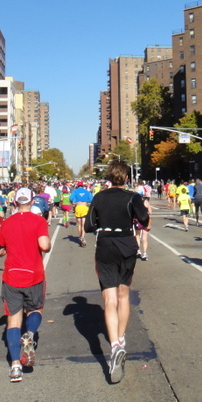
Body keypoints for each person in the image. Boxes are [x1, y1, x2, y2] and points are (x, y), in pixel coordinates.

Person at [85, 160, 149, 384]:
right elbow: (143, 219)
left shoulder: (99, 197)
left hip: (105, 245)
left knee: (109, 297)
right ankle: (121, 339)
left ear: (109, 177)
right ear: (127, 177)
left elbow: (89, 225)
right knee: (124, 294)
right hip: (126, 244)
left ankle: (114, 346)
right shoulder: (133, 197)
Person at [0, 187, 51, 382]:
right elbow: (44, 245)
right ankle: (30, 333)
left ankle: (15, 366)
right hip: (33, 275)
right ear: (32, 201)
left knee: (13, 321)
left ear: (15, 202)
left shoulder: (6, 224)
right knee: (35, 310)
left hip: (12, 276)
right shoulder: (39, 221)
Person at [70, 182, 93, 247]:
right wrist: (86, 201)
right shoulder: (87, 191)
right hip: (84, 207)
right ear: (83, 186)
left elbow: (71, 198)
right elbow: (91, 199)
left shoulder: (75, 191)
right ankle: (82, 237)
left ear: (77, 186)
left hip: (78, 207)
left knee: (79, 224)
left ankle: (80, 236)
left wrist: (74, 202)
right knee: (84, 224)